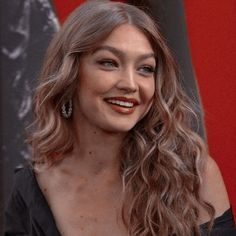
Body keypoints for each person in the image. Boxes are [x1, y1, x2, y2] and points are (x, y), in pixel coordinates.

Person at [4, 1, 235, 235]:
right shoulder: (32, 189)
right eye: (109, 63)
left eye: (145, 68)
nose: (130, 84)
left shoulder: (193, 174)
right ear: (69, 73)